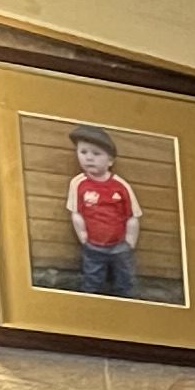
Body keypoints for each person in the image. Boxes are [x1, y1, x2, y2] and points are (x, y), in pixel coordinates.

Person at [65, 127, 139, 299]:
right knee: (92, 276)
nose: (89, 158)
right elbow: (76, 213)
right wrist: (82, 235)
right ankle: (90, 302)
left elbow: (132, 216)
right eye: (83, 152)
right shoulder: (78, 184)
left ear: (110, 160)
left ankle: (126, 301)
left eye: (96, 154)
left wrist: (130, 241)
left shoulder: (121, 186)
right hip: (93, 245)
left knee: (125, 277)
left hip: (120, 245)